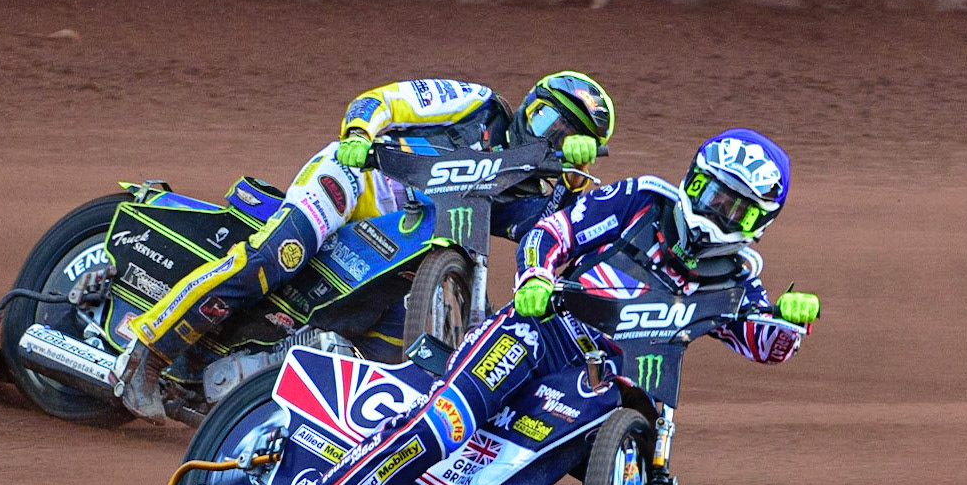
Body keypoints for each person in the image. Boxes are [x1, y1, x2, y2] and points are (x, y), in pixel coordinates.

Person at [276, 128, 821, 485]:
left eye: (736, 208)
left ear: (759, 224)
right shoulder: (644, 200)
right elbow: (554, 230)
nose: (716, 211)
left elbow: (761, 341)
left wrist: (792, 320)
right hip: (541, 329)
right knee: (449, 419)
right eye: (711, 192)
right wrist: (536, 275)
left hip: (603, 378)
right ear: (692, 179)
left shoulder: (739, 278)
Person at [117, 74, 616, 419]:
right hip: (355, 180)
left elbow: (553, 235)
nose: (552, 133)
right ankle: (147, 352)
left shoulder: (534, 190)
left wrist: (570, 181)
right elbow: (388, 99)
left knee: (383, 352)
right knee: (278, 256)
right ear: (531, 101)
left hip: (405, 250)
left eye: (570, 135)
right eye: (551, 117)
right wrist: (360, 131)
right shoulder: (476, 104)